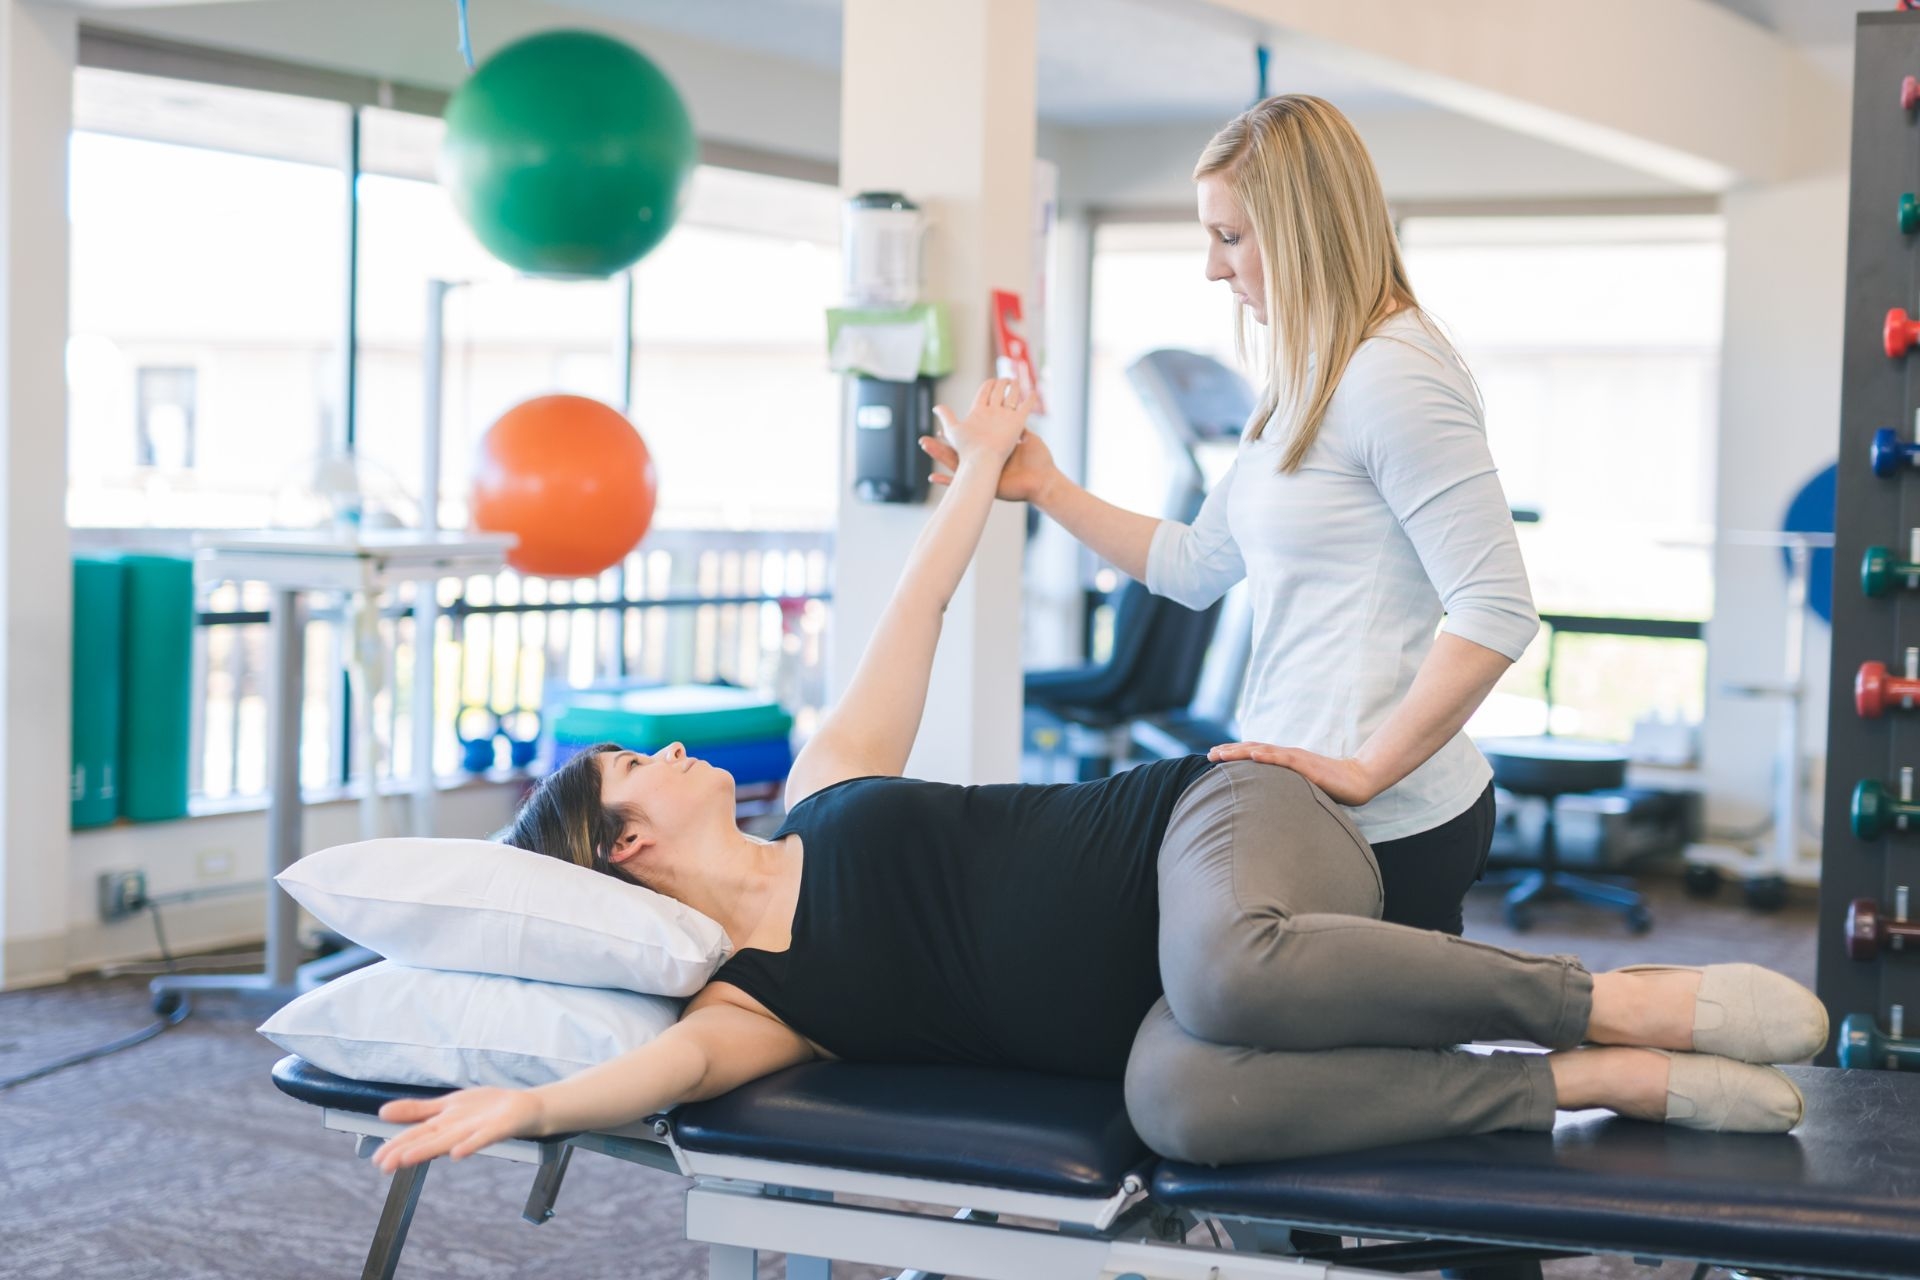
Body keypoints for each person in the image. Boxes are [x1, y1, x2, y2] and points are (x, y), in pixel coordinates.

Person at [369, 376, 1823, 1177]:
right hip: (1169, 1012)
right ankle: (1582, 1080)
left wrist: (990, 466)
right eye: (642, 763)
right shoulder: (755, 1005)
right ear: (623, 847)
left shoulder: (824, 788)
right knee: (1185, 1105)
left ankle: (1609, 1001)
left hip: (1212, 823)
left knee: (1228, 968)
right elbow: (668, 1072)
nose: (679, 750)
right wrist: (527, 1106)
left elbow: (918, 608)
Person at [922, 95, 1534, 938]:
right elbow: (1196, 565)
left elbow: (1496, 609)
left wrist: (1365, 770)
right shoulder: (1305, 378)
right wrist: (1047, 486)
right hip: (1300, 800)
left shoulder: (1395, 376)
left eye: (1232, 237)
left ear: (1303, 230)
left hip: (1388, 821)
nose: (1214, 268)